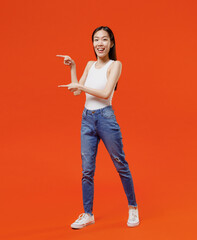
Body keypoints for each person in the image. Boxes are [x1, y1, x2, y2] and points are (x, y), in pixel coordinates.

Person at [57, 26, 139, 229]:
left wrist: (81, 87)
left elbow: (105, 92)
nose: (99, 43)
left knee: (120, 164)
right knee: (87, 170)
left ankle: (133, 208)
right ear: (92, 43)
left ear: (111, 43)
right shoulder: (89, 65)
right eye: (96, 39)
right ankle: (88, 214)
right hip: (87, 120)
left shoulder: (115, 65)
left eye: (104, 39)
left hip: (105, 119)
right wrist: (73, 67)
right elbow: (77, 92)